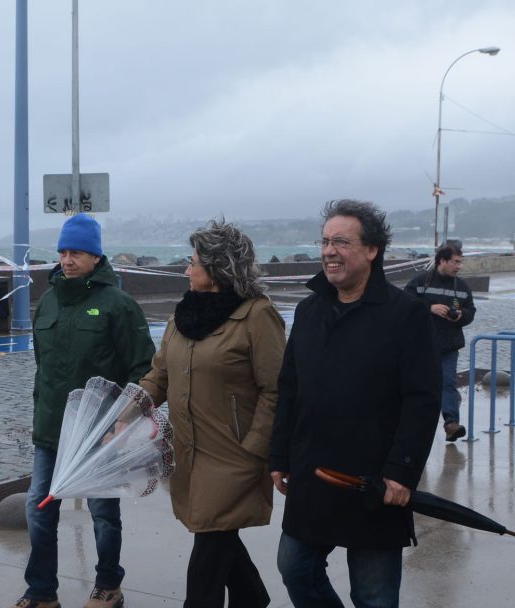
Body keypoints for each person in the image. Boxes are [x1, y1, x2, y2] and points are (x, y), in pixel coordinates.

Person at [269, 200, 441, 608]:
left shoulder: (406, 315)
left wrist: (402, 472)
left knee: (374, 596)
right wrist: (279, 455)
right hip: (315, 473)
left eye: (342, 242)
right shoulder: (309, 311)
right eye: (325, 241)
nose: (329, 251)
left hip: (375, 481)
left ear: (371, 250)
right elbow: (289, 387)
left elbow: (422, 399)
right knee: (294, 567)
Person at [11, 213, 156, 608]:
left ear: (95, 257)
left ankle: (109, 585)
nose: (68, 259)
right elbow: (43, 364)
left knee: (103, 514)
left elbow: (143, 367)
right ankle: (41, 591)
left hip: (98, 433)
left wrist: (122, 423)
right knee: (38, 509)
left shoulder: (118, 305)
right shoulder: (49, 302)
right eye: (62, 251)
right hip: (50, 431)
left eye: (76, 252)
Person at [139, 220, 285, 608]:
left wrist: (255, 447)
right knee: (216, 535)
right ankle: (252, 597)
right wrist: (127, 411)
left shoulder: (257, 316)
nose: (187, 270)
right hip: (190, 453)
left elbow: (276, 388)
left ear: (219, 267)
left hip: (236, 456)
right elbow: (160, 375)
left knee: (208, 548)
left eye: (193, 262)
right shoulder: (183, 315)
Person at [404, 242, 476, 442]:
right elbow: (405, 304)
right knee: (418, 386)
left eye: (460, 262)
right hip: (421, 346)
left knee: (448, 383)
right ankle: (415, 426)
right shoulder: (419, 282)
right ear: (442, 261)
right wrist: (429, 307)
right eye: (455, 262)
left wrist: (461, 315)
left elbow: (471, 312)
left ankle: (451, 424)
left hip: (449, 345)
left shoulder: (461, 287)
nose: (459, 266)